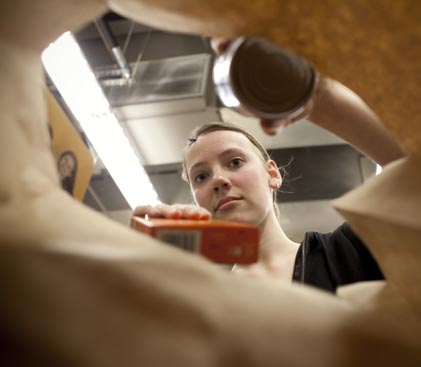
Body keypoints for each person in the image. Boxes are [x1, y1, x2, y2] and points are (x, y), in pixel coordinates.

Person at [134, 41, 405, 293]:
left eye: (235, 162)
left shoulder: (346, 254)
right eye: (201, 176)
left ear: (272, 174)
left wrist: (314, 93)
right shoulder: (205, 299)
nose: (218, 179)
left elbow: (416, 168)